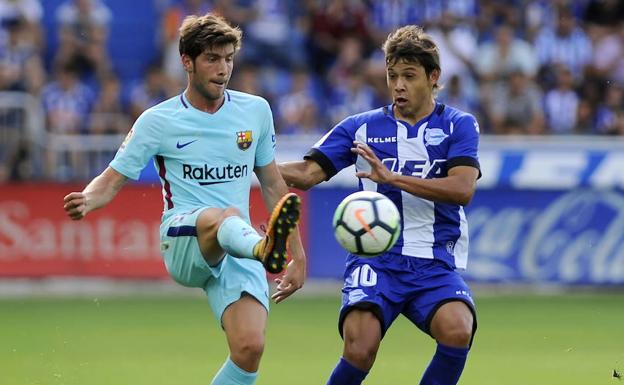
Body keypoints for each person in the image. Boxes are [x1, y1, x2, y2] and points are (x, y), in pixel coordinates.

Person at [63, 13, 306, 385]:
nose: (223, 68)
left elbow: (273, 185)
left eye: (228, 58)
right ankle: (262, 248)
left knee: (250, 349)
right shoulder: (158, 121)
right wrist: (88, 199)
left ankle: (261, 248)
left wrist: (298, 256)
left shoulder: (255, 111)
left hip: (237, 246)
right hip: (185, 238)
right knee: (224, 216)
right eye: (212, 58)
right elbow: (112, 180)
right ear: (187, 62)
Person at [279, 25, 480, 385]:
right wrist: (251, 165)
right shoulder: (361, 128)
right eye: (392, 76)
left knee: (458, 329)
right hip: (376, 260)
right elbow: (308, 173)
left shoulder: (458, 125)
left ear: (433, 77)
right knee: (359, 348)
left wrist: (393, 179)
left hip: (433, 260)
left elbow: (462, 189)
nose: (398, 85)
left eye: (409, 76)